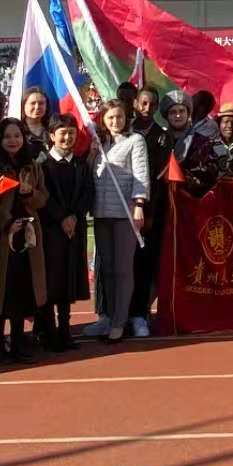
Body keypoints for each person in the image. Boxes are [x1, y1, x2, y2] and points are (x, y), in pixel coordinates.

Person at [0, 118, 48, 363]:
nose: (13, 141)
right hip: (0, 238)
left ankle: (18, 341)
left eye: (17, 136)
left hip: (27, 236)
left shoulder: (32, 166)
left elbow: (43, 198)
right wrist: (6, 223)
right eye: (7, 136)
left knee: (23, 291)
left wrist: (30, 193)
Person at [93, 99, 148, 342]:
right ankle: (110, 316)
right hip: (101, 213)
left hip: (125, 213)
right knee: (107, 269)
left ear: (126, 118)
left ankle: (119, 322)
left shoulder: (135, 140)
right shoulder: (99, 143)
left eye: (119, 117)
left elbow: (141, 175)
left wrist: (139, 204)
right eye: (111, 117)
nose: (115, 121)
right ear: (103, 120)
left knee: (123, 269)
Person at [38, 114, 94, 351]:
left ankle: (65, 330)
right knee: (51, 280)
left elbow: (88, 193)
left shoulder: (81, 165)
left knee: (68, 280)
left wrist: (74, 216)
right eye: (62, 133)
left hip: (74, 229)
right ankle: (48, 332)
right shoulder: (42, 165)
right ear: (52, 136)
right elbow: (44, 196)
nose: (67, 137)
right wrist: (61, 217)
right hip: (51, 230)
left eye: (71, 133)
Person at [128, 85, 172, 337]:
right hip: (121, 208)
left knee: (144, 264)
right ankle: (113, 314)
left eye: (152, 104)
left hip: (148, 211)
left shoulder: (162, 138)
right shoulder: (124, 130)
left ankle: (140, 314)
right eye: (143, 103)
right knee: (120, 265)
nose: (147, 108)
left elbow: (157, 180)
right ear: (135, 103)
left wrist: (149, 212)